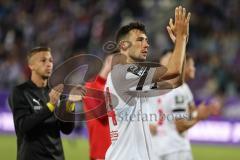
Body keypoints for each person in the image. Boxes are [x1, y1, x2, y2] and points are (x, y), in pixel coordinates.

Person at [104, 6, 191, 160]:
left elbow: (176, 81)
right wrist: (181, 40)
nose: (146, 44)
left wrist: (181, 44)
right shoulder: (123, 74)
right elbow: (173, 71)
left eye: (147, 40)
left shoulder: (130, 78)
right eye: (140, 40)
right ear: (124, 45)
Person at [8, 47, 83, 160]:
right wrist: (50, 106)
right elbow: (22, 126)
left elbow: (66, 129)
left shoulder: (57, 93)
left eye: (51, 60)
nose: (49, 64)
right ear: (31, 66)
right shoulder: (20, 92)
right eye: (43, 60)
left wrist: (69, 104)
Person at [148, 52, 221, 160]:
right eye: (191, 65)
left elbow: (190, 112)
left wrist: (204, 111)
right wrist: (198, 117)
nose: (193, 68)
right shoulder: (174, 89)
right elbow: (180, 126)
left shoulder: (183, 88)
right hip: (175, 148)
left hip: (162, 147)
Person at [83, 54, 114, 160]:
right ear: (108, 62)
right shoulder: (89, 87)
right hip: (101, 154)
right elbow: (101, 113)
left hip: (121, 152)